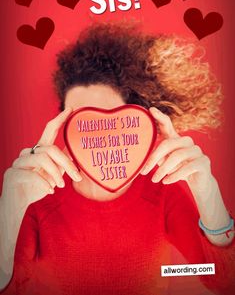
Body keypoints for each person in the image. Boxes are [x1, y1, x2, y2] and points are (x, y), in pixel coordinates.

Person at [0, 22, 234, 295]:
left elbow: (220, 279)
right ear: (62, 125)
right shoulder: (36, 198)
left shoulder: (162, 192)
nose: (96, 137)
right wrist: (8, 211)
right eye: (82, 121)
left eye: (111, 120)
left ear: (139, 123)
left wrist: (207, 192)